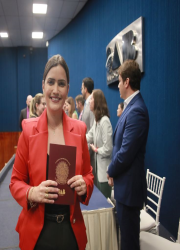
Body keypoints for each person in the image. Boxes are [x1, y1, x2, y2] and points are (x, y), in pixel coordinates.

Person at [9, 54, 94, 250]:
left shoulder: (79, 130)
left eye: (61, 84)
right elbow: (15, 182)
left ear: (68, 89)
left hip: (70, 231)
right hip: (38, 234)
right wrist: (31, 192)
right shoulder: (29, 131)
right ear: (43, 86)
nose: (56, 90)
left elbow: (89, 174)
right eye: (51, 82)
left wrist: (85, 185)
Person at [107, 60, 149, 250]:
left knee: (129, 244)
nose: (117, 84)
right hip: (125, 188)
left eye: (119, 80)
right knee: (126, 240)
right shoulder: (130, 107)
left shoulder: (137, 110)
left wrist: (110, 170)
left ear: (127, 82)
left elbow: (125, 153)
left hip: (130, 191)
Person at [86, 89, 113, 198]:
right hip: (99, 173)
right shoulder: (96, 122)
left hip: (105, 175)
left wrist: (97, 150)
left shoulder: (104, 121)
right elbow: (88, 137)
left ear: (97, 101)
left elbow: (108, 148)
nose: (89, 102)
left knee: (105, 205)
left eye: (91, 98)